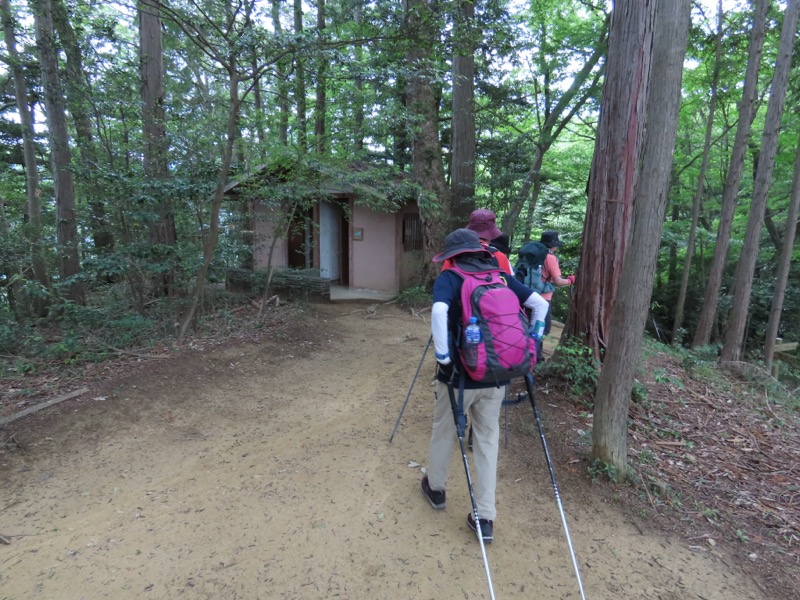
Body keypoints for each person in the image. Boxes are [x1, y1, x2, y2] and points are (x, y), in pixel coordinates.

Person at [420, 228, 548, 544]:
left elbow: (439, 311)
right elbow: (539, 305)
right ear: (479, 251)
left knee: (444, 430)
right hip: (499, 375)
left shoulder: (450, 278)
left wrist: (444, 357)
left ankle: (436, 489)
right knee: (488, 441)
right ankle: (485, 517)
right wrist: (532, 342)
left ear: (452, 256)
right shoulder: (501, 276)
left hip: (459, 378)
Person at [539, 231, 576, 336]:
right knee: (543, 330)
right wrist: (571, 280)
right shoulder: (550, 258)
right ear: (553, 245)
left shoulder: (533, 254)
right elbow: (558, 281)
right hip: (544, 298)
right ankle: (536, 351)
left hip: (529, 295)